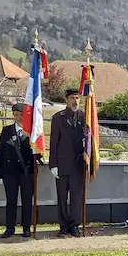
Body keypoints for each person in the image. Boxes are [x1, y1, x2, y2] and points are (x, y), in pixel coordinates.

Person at [0, 103, 36, 238]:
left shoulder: (32, 131)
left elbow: (38, 153)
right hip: (9, 172)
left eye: (21, 115)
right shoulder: (7, 130)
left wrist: (36, 150)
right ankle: (10, 228)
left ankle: (26, 228)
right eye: (16, 115)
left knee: (27, 201)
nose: (18, 117)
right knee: (11, 201)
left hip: (26, 172)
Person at [49, 89, 85, 237]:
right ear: (66, 100)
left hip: (78, 164)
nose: (75, 101)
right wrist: (53, 164)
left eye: (77, 98)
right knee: (62, 197)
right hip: (62, 164)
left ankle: (75, 225)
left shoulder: (85, 116)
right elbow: (53, 142)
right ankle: (64, 226)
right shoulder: (58, 118)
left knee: (76, 198)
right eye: (72, 98)